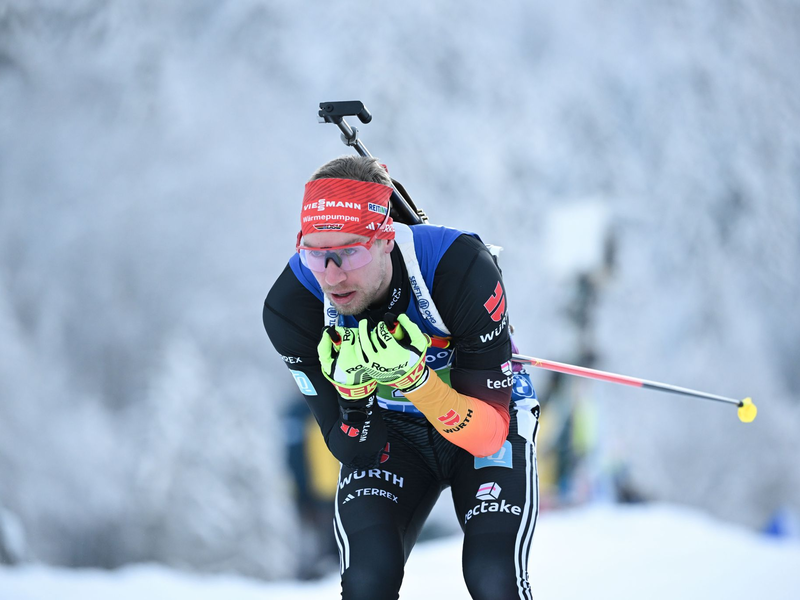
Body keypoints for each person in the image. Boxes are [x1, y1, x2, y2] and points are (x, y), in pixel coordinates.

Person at [263, 155, 540, 600]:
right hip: (392, 432)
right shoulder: (290, 308)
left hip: (484, 419)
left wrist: (415, 380)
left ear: (385, 239)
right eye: (315, 254)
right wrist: (355, 399)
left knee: (493, 576)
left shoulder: (459, 270)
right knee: (367, 581)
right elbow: (351, 446)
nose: (332, 276)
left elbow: (489, 436)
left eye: (349, 251)